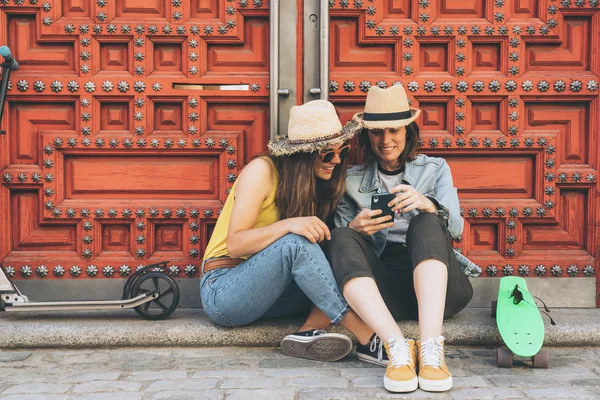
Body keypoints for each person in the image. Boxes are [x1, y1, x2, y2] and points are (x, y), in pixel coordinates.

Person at [327, 85, 481, 393]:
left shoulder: (435, 169)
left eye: (394, 130)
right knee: (342, 235)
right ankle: (396, 347)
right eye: (376, 133)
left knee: (425, 221)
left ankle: (432, 351)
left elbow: (458, 230)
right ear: (366, 136)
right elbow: (341, 254)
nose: (386, 141)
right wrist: (356, 228)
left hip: (442, 288)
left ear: (408, 130)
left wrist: (427, 204)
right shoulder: (351, 179)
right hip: (385, 294)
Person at [200, 99, 375, 362]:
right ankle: (369, 338)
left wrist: (351, 231)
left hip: (276, 294)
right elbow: (236, 244)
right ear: (304, 155)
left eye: (342, 151)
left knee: (340, 249)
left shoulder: (316, 185)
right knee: (295, 242)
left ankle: (309, 332)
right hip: (225, 288)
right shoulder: (262, 171)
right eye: (328, 154)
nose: (337, 161)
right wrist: (288, 225)